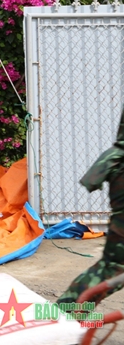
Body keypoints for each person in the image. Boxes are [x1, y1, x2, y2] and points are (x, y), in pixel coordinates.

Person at [58, 105, 124, 304]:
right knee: (112, 270)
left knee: (111, 270)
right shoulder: (117, 159)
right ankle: (64, 312)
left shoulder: (114, 157)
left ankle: (65, 312)